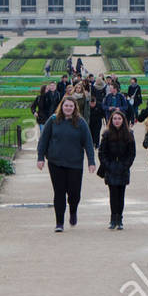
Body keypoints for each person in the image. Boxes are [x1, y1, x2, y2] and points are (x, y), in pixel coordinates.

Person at [36, 96, 96, 231]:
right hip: (55, 162)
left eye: (71, 106)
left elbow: (88, 143)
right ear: (61, 107)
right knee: (59, 193)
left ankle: (73, 211)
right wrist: (40, 158)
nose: (68, 108)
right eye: (66, 106)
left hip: (75, 163)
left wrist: (91, 161)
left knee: (74, 194)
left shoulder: (81, 123)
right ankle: (59, 223)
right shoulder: (53, 120)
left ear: (75, 108)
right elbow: (43, 140)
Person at [97, 108, 136, 229]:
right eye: (115, 118)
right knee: (113, 194)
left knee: (121, 194)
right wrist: (107, 165)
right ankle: (113, 218)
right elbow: (102, 152)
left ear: (123, 120)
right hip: (111, 167)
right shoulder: (107, 134)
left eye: (119, 119)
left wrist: (125, 165)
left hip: (123, 168)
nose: (117, 121)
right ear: (111, 120)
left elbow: (132, 153)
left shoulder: (129, 134)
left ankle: (120, 218)